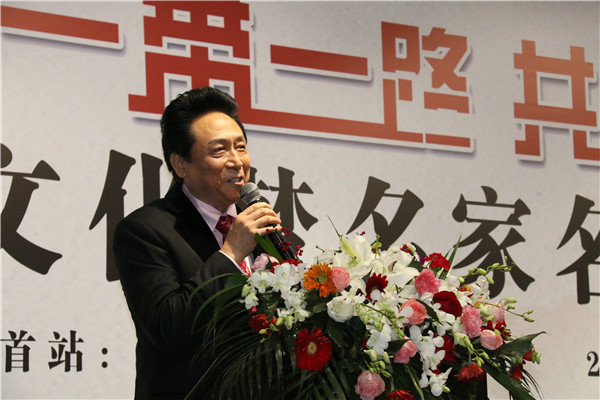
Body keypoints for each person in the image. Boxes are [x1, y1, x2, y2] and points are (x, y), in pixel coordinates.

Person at [113, 87, 281, 399]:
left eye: (240, 147)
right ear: (181, 165)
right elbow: (167, 328)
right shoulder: (144, 231)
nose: (236, 161)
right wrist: (230, 253)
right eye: (219, 151)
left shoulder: (260, 223)